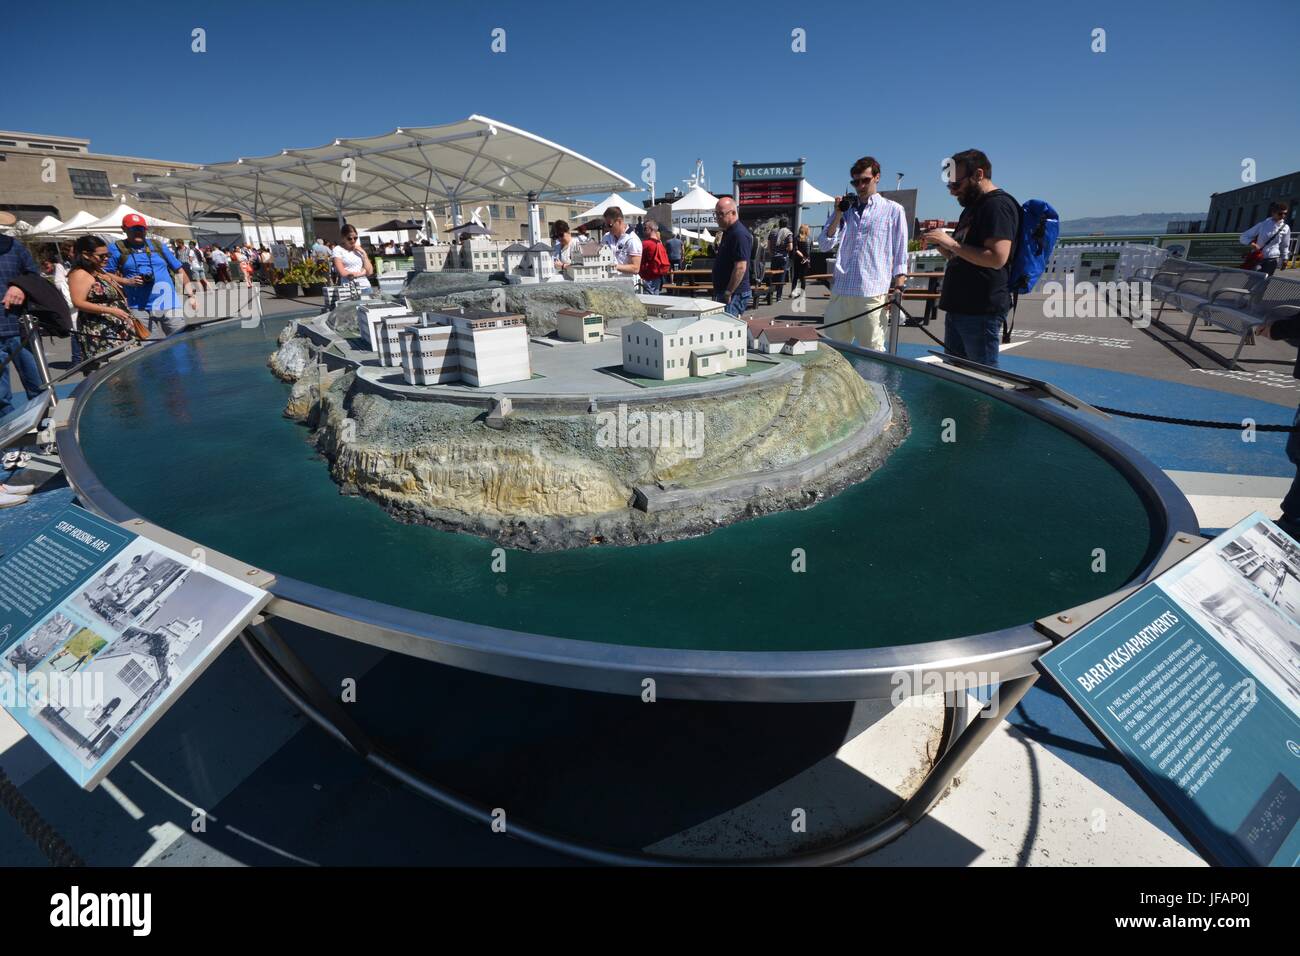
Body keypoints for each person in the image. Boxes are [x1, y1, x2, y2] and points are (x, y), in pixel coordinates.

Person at [923, 149, 1020, 368]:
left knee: (981, 379)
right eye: (949, 186)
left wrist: (951, 243)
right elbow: (961, 254)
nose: (952, 192)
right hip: (960, 307)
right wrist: (941, 245)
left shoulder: (997, 206)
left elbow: (997, 258)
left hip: (980, 310)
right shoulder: (972, 209)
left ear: (978, 174)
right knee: (958, 376)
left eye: (956, 185)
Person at [816, 156, 909, 351]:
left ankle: (873, 383)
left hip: (871, 292)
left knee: (872, 351)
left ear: (877, 177)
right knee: (833, 352)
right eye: (856, 181)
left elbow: (901, 253)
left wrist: (898, 288)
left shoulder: (893, 210)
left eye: (865, 180)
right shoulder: (845, 211)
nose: (860, 185)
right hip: (841, 291)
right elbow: (824, 244)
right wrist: (838, 214)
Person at [105, 213, 197, 337]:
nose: (138, 232)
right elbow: (106, 274)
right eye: (133, 229)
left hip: (168, 303)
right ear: (124, 229)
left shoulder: (158, 245)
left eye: (141, 229)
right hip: (138, 308)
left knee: (180, 341)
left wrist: (191, 295)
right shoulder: (116, 248)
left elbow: (179, 270)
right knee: (150, 347)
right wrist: (127, 281)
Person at [0, 215, 47, 422]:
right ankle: (11, 443)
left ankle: (45, 432)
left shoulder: (14, 246)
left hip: (19, 327)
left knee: (38, 385)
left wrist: (20, 286)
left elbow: (34, 277)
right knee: (0, 397)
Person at [67, 235, 137, 364]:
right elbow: (78, 302)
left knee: (130, 365)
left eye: (108, 255)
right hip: (102, 329)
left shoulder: (96, 269)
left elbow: (107, 276)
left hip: (117, 326)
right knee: (115, 370)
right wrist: (110, 310)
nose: (106, 258)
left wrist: (128, 281)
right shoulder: (79, 274)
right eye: (101, 256)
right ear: (86, 255)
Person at [711, 195, 753, 316]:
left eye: (721, 214)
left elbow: (740, 267)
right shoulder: (729, 232)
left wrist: (728, 292)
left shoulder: (739, 234)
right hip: (727, 292)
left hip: (734, 294)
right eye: (716, 214)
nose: (717, 218)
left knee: (729, 329)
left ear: (733, 213)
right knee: (726, 328)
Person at [1240, 203, 1291, 276]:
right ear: (1273, 213)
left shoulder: (1286, 228)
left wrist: (1285, 259)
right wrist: (1252, 243)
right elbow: (1244, 236)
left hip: (1272, 259)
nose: (1283, 216)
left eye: (1285, 214)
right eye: (1280, 213)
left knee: (1265, 282)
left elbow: (1285, 245)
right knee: (1253, 279)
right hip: (1258, 258)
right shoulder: (1263, 224)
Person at [332, 225, 374, 294]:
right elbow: (342, 273)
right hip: (349, 288)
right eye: (349, 238)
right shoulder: (338, 250)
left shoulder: (359, 248)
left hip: (366, 287)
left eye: (355, 238)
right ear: (343, 238)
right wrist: (360, 274)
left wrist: (364, 254)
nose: (353, 240)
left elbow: (370, 272)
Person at [601, 208, 642, 276]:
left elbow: (636, 268)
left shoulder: (632, 239)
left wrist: (615, 267)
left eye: (610, 225)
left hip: (627, 282)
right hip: (610, 282)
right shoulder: (606, 237)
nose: (607, 228)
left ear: (619, 221)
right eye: (605, 225)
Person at [638, 220, 672, 294]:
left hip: (646, 277)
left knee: (647, 301)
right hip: (657, 277)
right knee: (655, 299)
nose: (643, 231)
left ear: (651, 229)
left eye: (645, 229)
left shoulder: (645, 244)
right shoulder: (660, 244)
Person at [768, 219, 793, 301]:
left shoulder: (772, 232)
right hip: (783, 257)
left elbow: (769, 246)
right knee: (781, 276)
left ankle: (769, 294)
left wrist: (772, 253)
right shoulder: (788, 233)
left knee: (772, 276)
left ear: (779, 224)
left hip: (774, 257)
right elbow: (790, 247)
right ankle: (779, 297)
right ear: (787, 224)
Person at [790, 223, 812, 298]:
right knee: (803, 278)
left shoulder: (796, 238)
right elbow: (809, 250)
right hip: (806, 260)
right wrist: (807, 258)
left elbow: (795, 250)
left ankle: (793, 292)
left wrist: (802, 256)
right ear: (806, 230)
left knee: (795, 276)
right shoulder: (809, 238)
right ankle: (802, 294)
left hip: (798, 260)